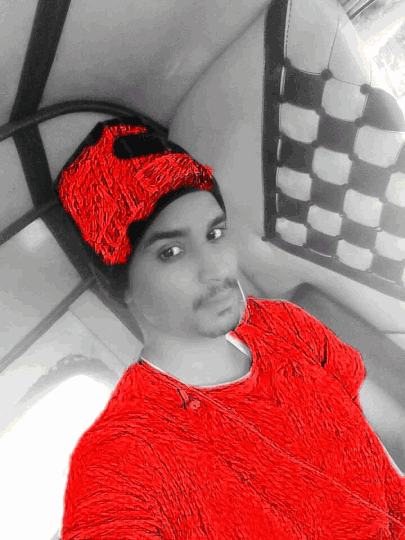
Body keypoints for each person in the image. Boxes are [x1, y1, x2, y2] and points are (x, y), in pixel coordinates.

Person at [59, 117, 405, 540]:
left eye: (215, 233)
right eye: (171, 252)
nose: (216, 268)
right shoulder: (122, 458)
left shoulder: (282, 323)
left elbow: (390, 427)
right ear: (122, 285)